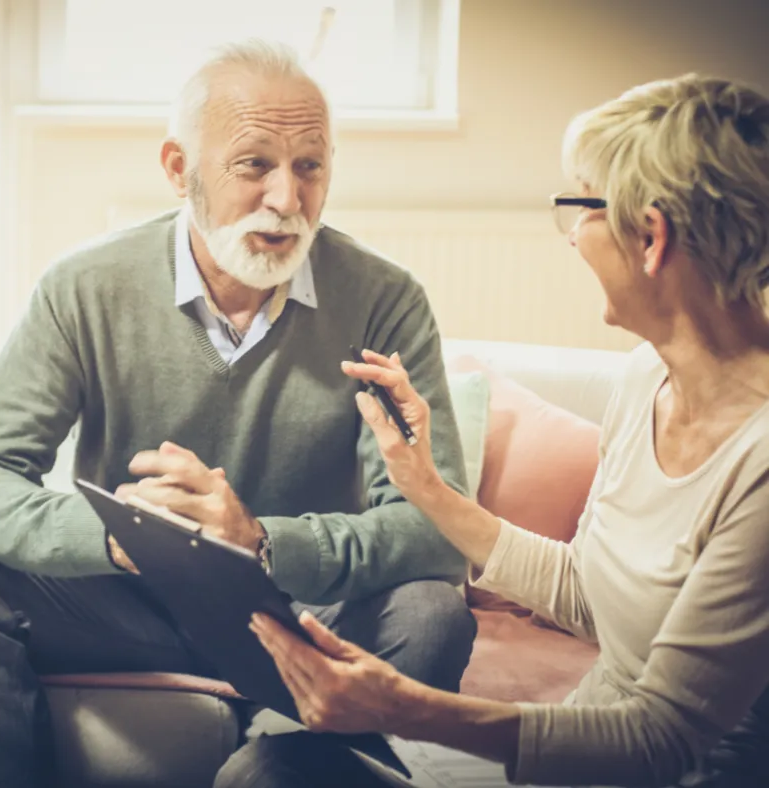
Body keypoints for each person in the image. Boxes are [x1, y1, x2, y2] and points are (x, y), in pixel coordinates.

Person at [0, 40, 477, 788]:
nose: (287, 200)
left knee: (433, 612)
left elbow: (437, 528)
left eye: (310, 166)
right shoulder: (83, 287)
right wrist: (121, 538)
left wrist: (261, 543)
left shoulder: (383, 298)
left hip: (302, 618)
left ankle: (285, 770)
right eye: (254, 164)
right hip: (126, 607)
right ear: (179, 169)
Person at [239, 73, 769, 788]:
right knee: (269, 764)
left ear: (650, 236)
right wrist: (426, 485)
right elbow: (589, 595)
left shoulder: (758, 465)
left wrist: (409, 707)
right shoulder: (648, 376)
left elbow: (658, 742)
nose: (573, 237)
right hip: (566, 765)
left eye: (579, 207)